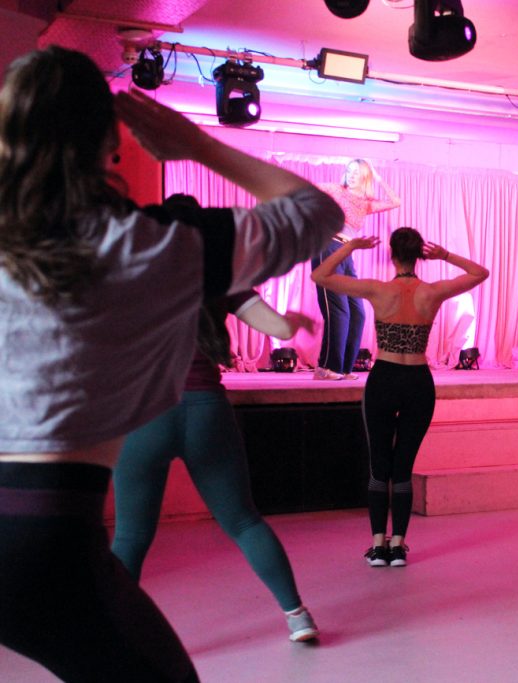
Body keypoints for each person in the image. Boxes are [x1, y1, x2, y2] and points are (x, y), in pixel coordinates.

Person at [0, 47, 341, 682]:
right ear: (110, 142)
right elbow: (316, 214)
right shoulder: (153, 247)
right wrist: (197, 145)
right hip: (49, 531)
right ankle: (295, 611)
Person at [112, 196, 321, 642]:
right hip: (207, 410)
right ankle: (297, 616)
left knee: (130, 535)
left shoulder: (131, 277)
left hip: (146, 414)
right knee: (244, 522)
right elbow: (281, 330)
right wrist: (296, 319)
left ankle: (109, 634)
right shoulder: (222, 278)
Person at [312, 227, 488, 566]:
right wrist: (446, 256)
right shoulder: (433, 292)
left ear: (392, 254)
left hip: (384, 379)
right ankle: (398, 545)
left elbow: (319, 274)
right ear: (420, 254)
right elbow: (481, 273)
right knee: (403, 468)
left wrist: (350, 245)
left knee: (380, 467)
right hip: (418, 382)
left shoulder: (378, 290)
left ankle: (378, 545)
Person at [312, 158, 401, 381]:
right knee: (338, 311)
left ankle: (343, 368)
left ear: (364, 178)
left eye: (357, 173)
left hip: (346, 253)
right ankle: (326, 367)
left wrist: (378, 176)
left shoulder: (365, 203)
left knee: (358, 313)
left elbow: (395, 201)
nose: (351, 175)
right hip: (328, 246)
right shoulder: (333, 189)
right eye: (349, 171)